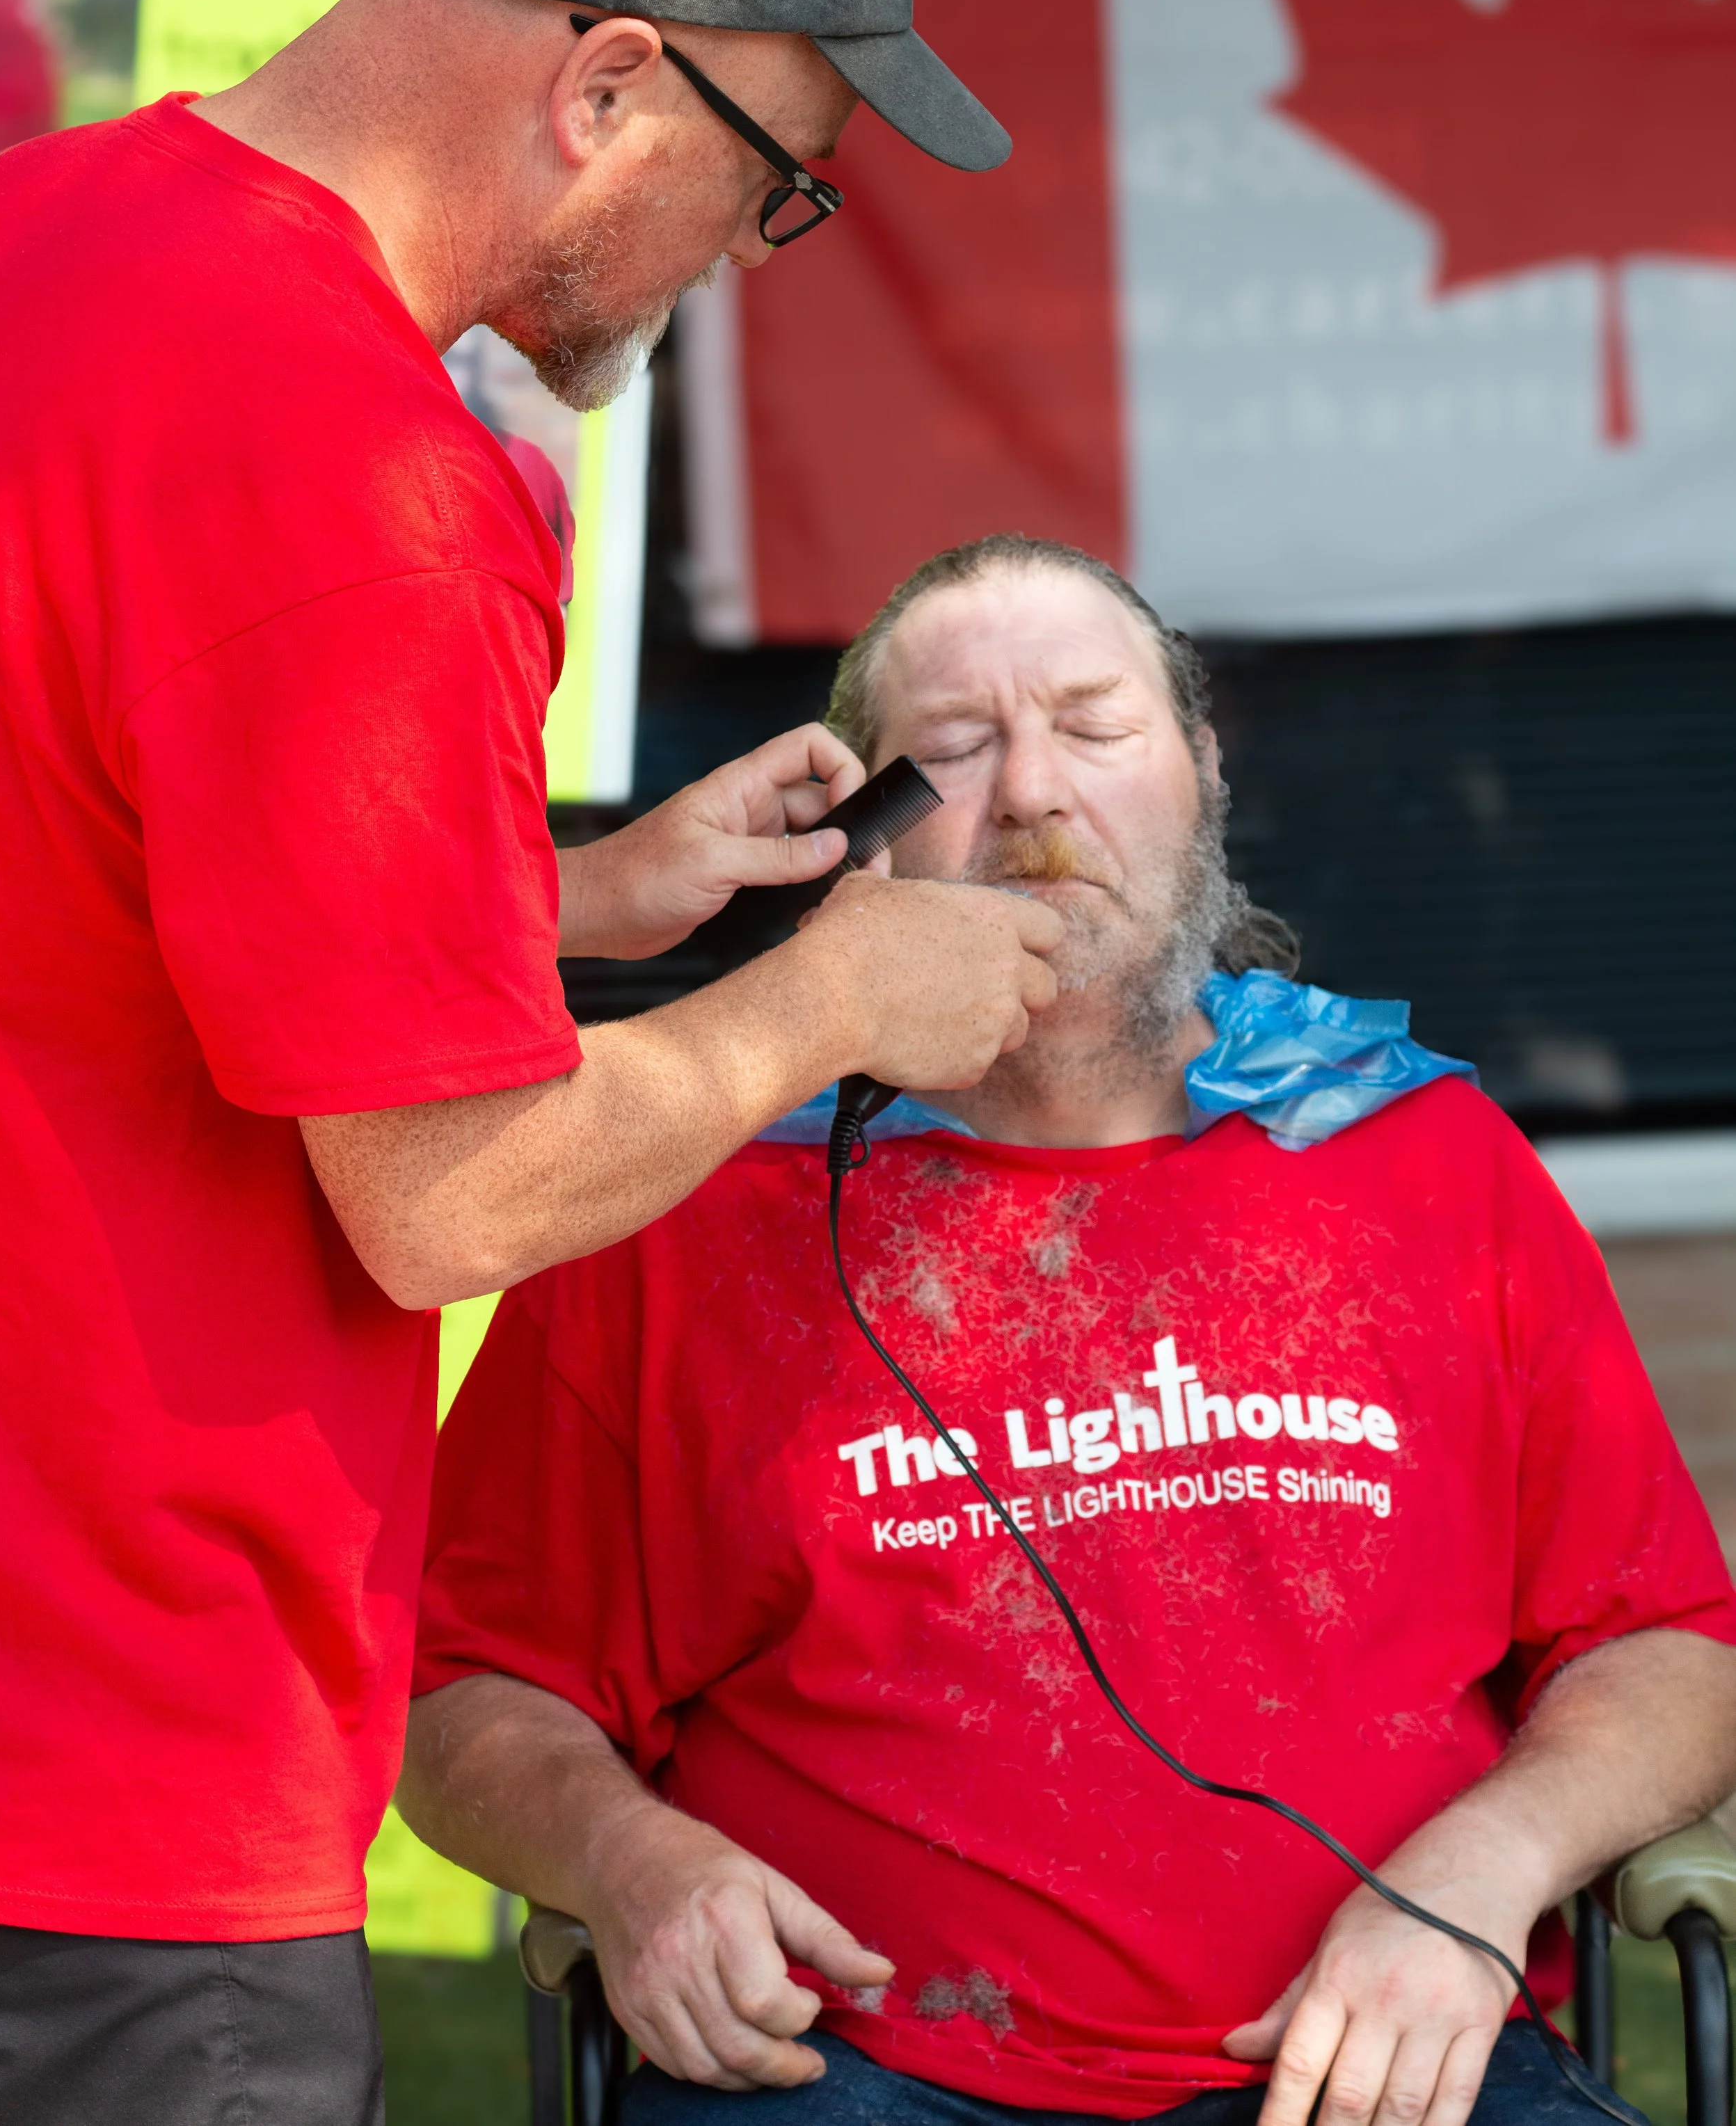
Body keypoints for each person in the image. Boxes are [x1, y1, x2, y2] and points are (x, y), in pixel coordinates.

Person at [0, 0, 1062, 2126]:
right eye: (778, 191)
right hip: (109, 1775)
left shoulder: (46, 239)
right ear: (606, 87)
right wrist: (825, 1000)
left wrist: (568, 898)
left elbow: (90, 866)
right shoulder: (364, 473)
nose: (741, 271)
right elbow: (446, 1192)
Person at [404, 532, 1736, 2126]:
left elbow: (1664, 1644)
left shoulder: (1419, 1158)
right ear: (864, 843)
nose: (1031, 794)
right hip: (853, 2068)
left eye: (1095, 726)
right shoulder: (680, 1204)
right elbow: (461, 1688)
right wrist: (625, 1860)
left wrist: (1484, 1868)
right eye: (953, 750)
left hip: (1382, 2050)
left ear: (1199, 776)